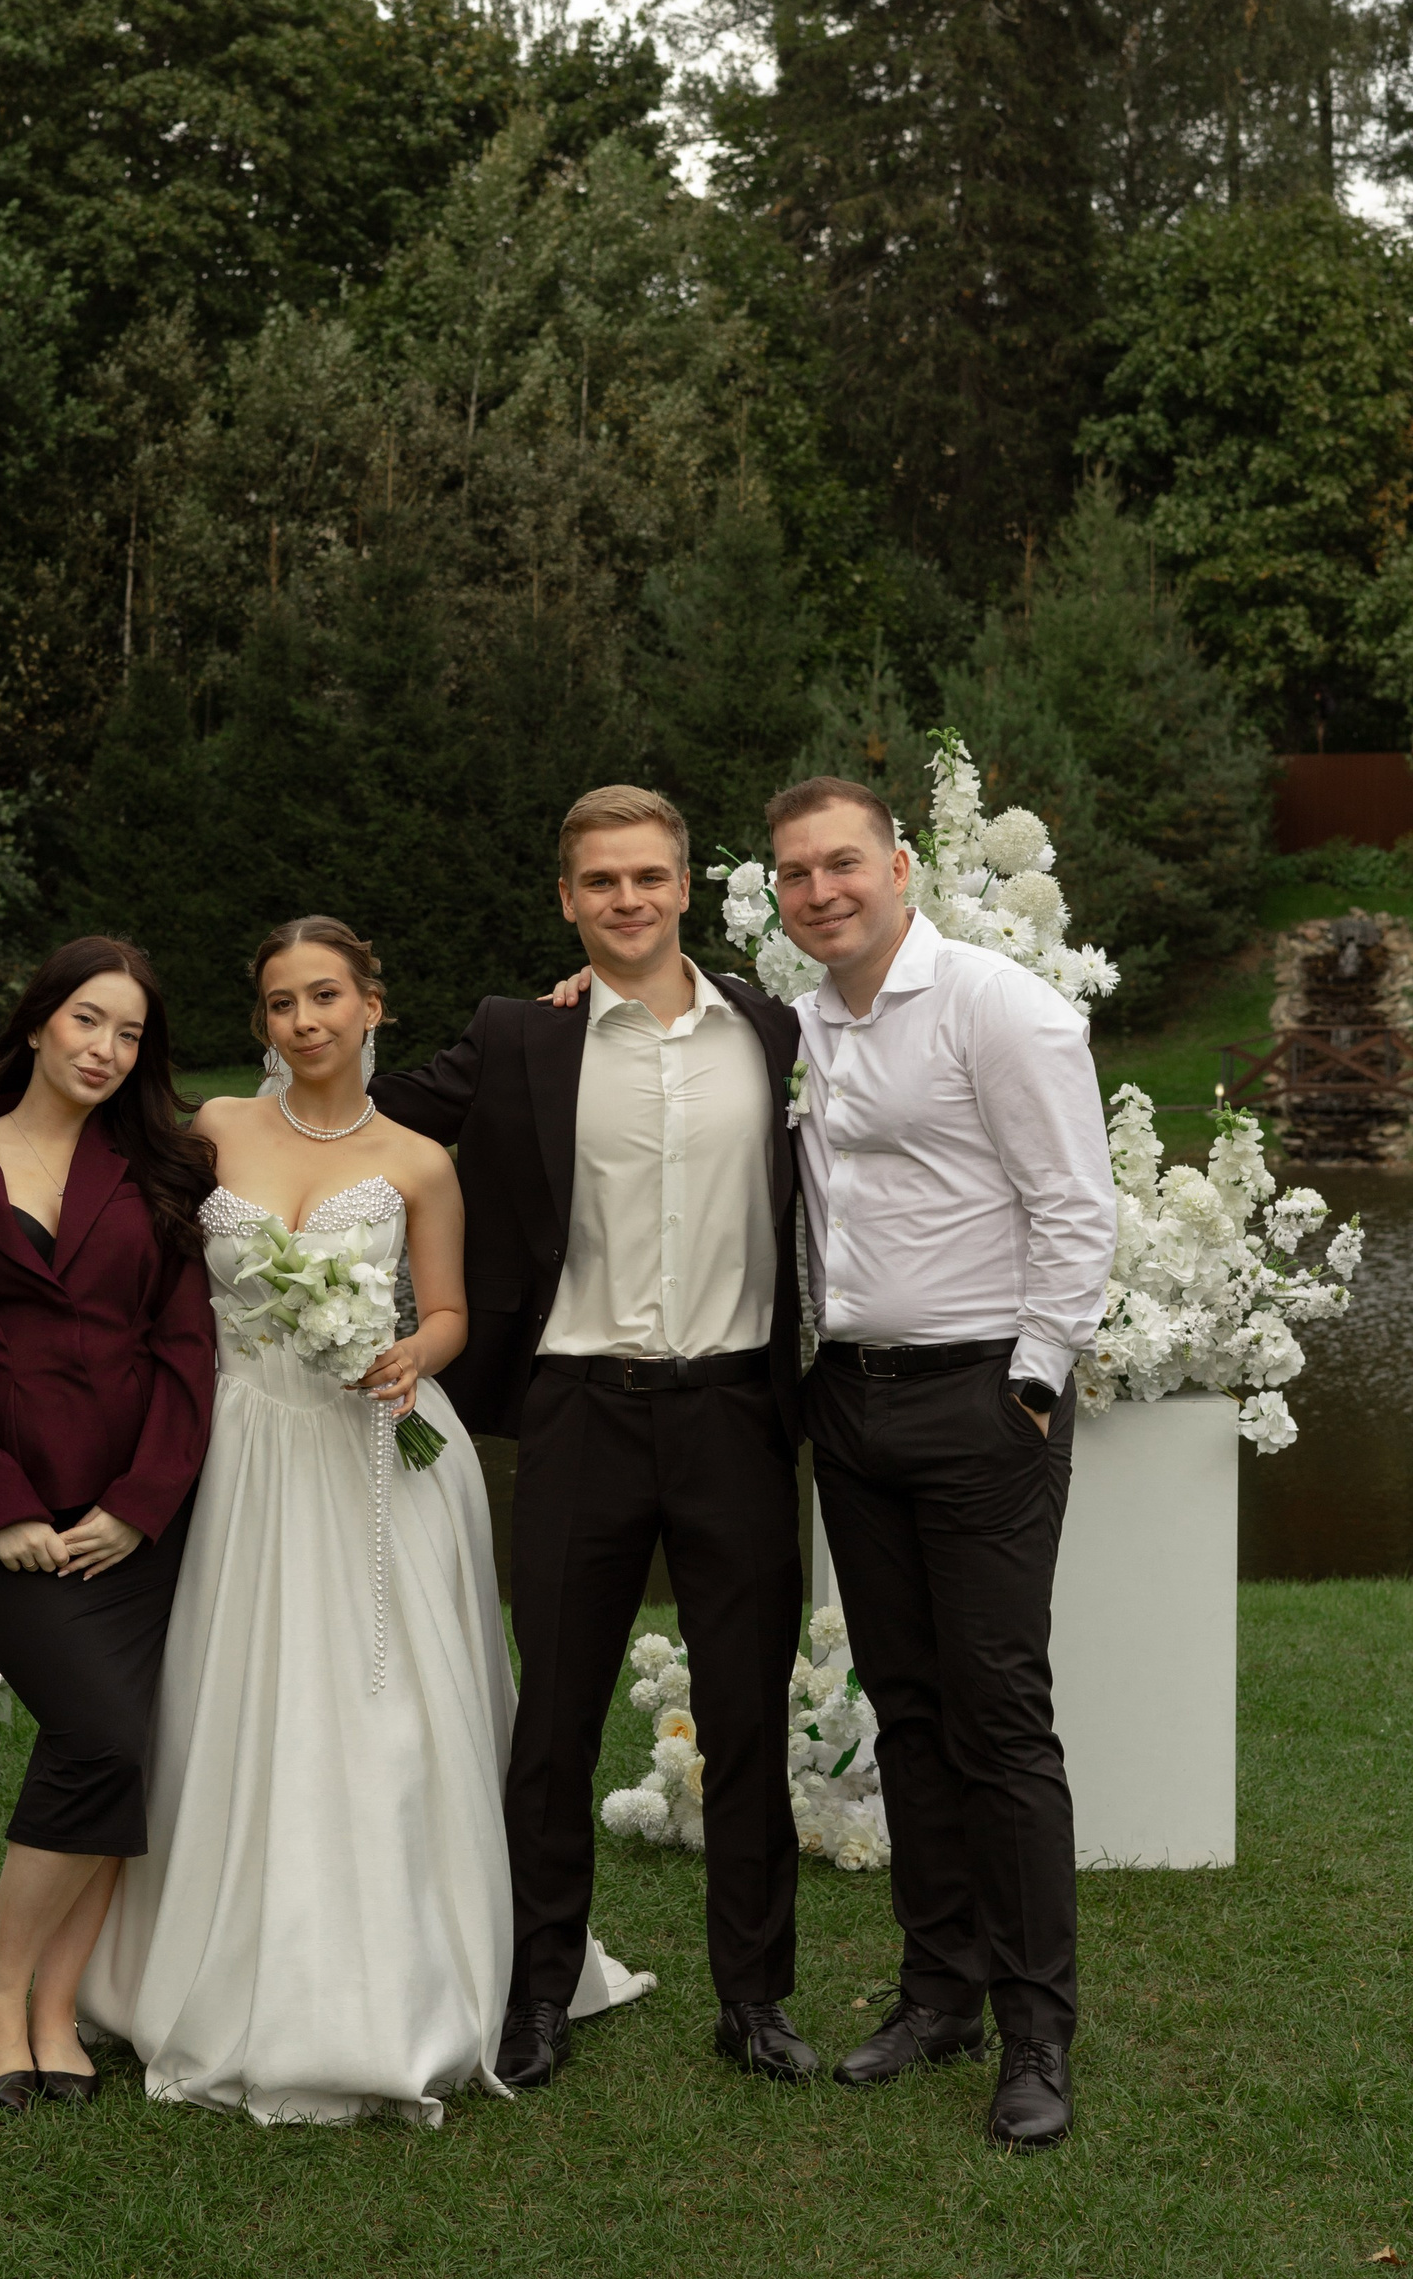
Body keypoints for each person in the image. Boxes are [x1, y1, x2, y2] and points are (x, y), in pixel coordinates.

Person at [79, 917, 650, 2125]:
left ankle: (399, 1978)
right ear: (263, 1021)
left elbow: (448, 1311)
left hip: (377, 1443)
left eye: (327, 995)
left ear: (372, 1004)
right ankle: (213, 1955)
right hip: (243, 1443)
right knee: (237, 1685)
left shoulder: (420, 1159)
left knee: (381, 1699)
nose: (306, 1021)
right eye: (282, 1002)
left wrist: (409, 1352)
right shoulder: (216, 1128)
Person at [378, 787, 812, 2092]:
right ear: (567, 899)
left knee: (748, 1715)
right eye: (602, 881)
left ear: (684, 887)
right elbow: (366, 1113)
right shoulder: (522, 1034)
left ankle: (755, 1998)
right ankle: (539, 1990)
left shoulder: (774, 1028)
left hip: (737, 1409)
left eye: (649, 876)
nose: (628, 898)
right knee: (554, 1719)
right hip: (578, 1409)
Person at [769, 778, 1116, 2150]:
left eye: (842, 862)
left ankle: (1036, 2033)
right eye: (796, 872)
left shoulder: (997, 1006)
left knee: (998, 1718)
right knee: (905, 1708)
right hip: (852, 1403)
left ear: (901, 865)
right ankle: (939, 1992)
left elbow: (1074, 1202)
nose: (820, 891)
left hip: (983, 1399)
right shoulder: (799, 1024)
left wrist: (1033, 1379)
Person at [0, 938, 218, 2114]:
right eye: (87, 1019)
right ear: (34, 1023)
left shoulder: (159, 1175)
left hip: (138, 1522)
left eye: (130, 1033)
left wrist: (141, 1504)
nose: (106, 1048)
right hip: (2, 1514)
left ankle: (56, 2009)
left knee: (130, 1749)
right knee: (98, 1733)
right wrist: (2, 1510)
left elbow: (187, 1349)